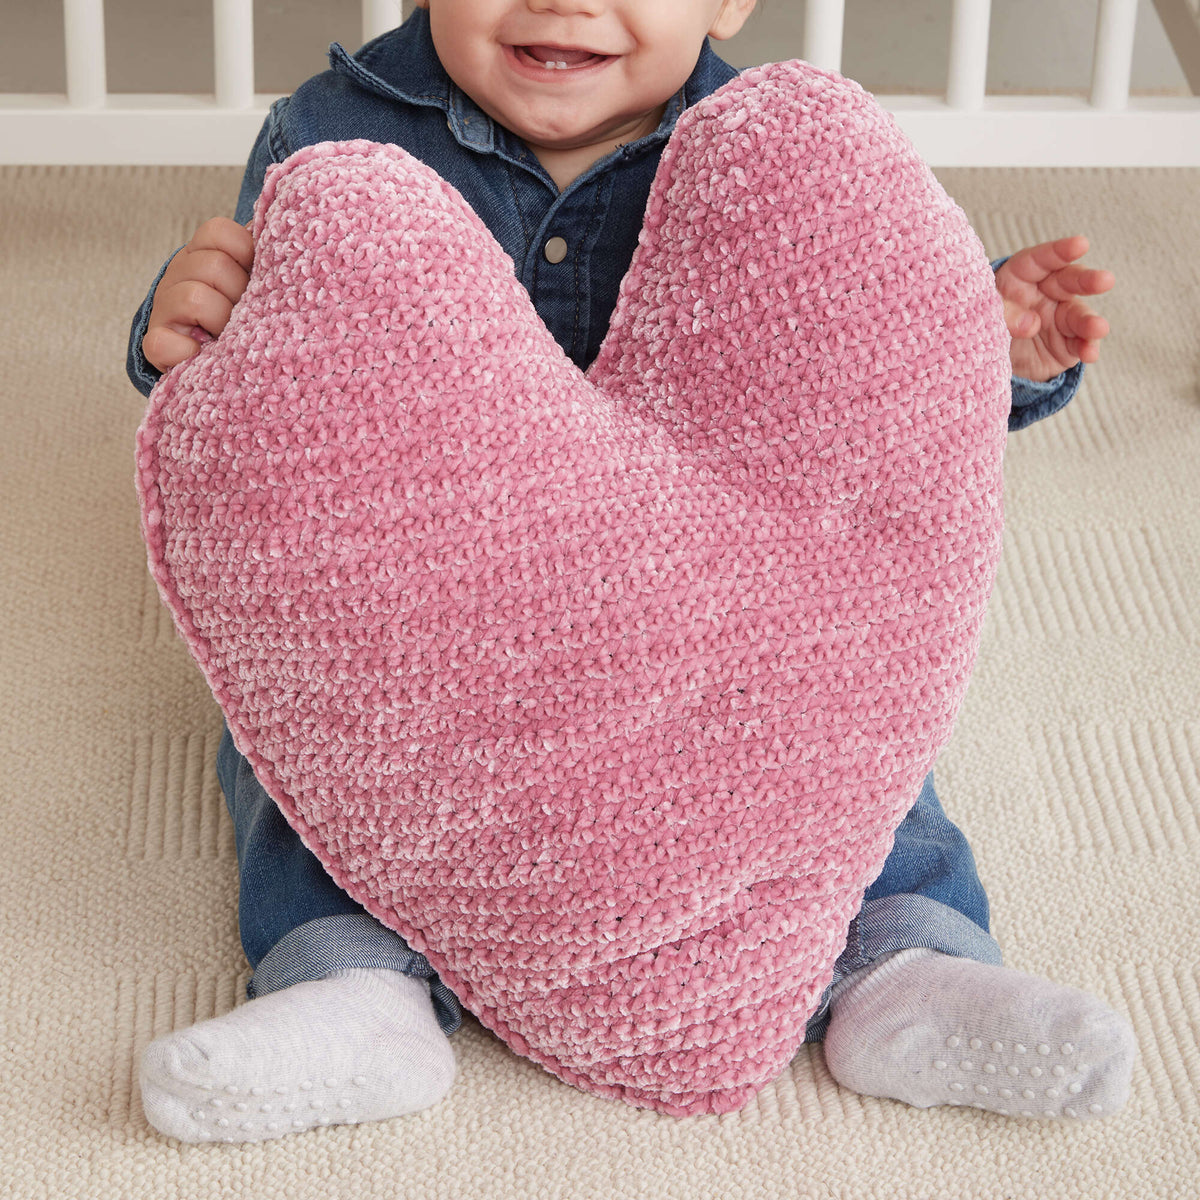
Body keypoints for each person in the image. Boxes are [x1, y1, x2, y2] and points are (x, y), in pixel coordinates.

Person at [126, 0, 1134, 1144]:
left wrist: (976, 342)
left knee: (858, 703)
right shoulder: (334, 135)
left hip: (725, 604)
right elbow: (270, 387)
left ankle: (908, 965)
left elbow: (859, 413)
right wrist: (189, 314)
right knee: (305, 740)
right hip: (448, 609)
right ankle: (346, 982)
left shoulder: (775, 161)